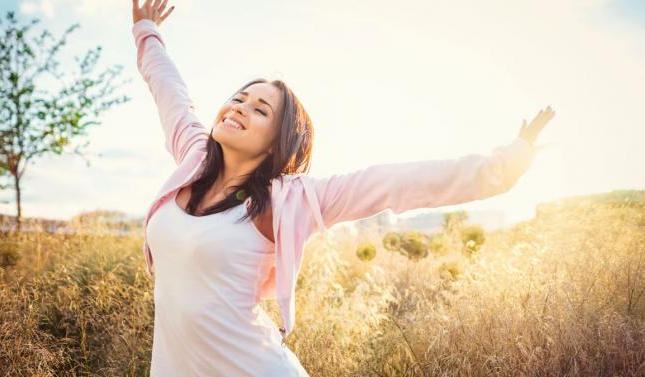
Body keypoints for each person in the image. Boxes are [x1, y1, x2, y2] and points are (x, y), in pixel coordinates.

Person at [131, 1, 556, 376]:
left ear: (277, 142)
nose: (240, 107)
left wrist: (502, 167)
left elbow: (393, 184)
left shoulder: (288, 201)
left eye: (260, 109)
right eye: (239, 98)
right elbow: (170, 92)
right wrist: (148, 32)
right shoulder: (193, 158)